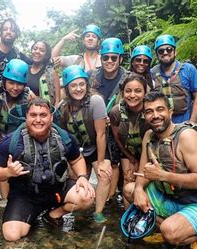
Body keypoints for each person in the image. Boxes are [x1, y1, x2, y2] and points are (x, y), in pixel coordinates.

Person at [132, 91, 197, 249]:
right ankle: (174, 228)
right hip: (174, 199)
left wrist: (163, 175)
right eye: (149, 112)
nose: (155, 115)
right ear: (144, 116)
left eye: (160, 109)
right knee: (129, 190)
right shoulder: (149, 136)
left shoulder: (186, 137)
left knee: (170, 232)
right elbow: (144, 172)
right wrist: (139, 188)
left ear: (170, 112)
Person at [0, 98, 95, 241]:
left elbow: (76, 159)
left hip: (57, 190)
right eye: (33, 115)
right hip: (25, 196)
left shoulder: (64, 137)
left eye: (43, 115)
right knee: (11, 236)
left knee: (87, 196)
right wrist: (8, 173)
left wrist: (82, 176)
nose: (38, 120)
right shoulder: (11, 142)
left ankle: (53, 214)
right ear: (26, 116)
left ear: (51, 117)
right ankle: (28, 216)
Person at [58, 65, 112, 222]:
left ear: (87, 85)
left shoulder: (96, 101)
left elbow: (101, 134)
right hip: (77, 151)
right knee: (76, 181)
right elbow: (64, 137)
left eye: (82, 84)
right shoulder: (63, 107)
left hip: (96, 147)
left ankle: (98, 211)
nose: (78, 89)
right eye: (73, 85)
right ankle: (79, 208)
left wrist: (101, 162)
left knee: (104, 175)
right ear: (67, 88)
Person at [87, 37, 128, 218]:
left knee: (115, 162)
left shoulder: (128, 78)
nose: (109, 61)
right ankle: (99, 198)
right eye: (106, 58)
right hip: (95, 128)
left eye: (113, 57)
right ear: (101, 59)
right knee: (99, 163)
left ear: (120, 59)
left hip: (118, 128)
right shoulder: (91, 77)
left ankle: (112, 197)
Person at [0, 59, 32, 207]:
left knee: (19, 168)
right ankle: (5, 199)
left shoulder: (28, 97)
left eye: (19, 84)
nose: (15, 87)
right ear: (4, 82)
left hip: (19, 137)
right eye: (11, 83)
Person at [109, 74, 150, 208]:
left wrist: (141, 161)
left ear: (145, 93)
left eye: (138, 91)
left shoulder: (151, 110)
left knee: (145, 181)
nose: (132, 95)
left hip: (149, 152)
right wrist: (131, 159)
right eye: (128, 91)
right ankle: (128, 214)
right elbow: (118, 139)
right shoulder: (116, 112)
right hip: (127, 151)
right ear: (123, 92)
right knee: (128, 179)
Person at [151, 35, 197, 124]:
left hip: (184, 124)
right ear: (157, 55)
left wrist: (192, 122)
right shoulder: (152, 73)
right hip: (161, 125)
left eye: (169, 49)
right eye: (161, 51)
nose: (165, 52)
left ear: (175, 52)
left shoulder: (188, 69)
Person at [0, 18, 32, 91]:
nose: (8, 32)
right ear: (0, 32)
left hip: (7, 98)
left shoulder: (19, 56)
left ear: (16, 35)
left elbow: (38, 63)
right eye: (5, 29)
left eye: (12, 30)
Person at [27, 40, 61, 106]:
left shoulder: (51, 72)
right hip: (25, 111)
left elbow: (57, 100)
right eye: (35, 48)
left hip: (44, 111)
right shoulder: (25, 69)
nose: (37, 52)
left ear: (46, 55)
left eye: (42, 50)